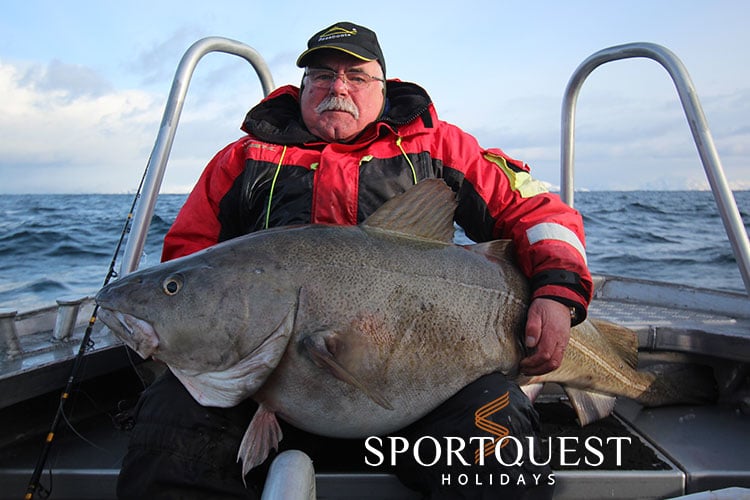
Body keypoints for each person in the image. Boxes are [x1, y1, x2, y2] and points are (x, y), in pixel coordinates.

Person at [117, 21, 592, 499]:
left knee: (498, 443)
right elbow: (192, 262)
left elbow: (539, 210)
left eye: (356, 76)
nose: (337, 87)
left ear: (383, 88)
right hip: (264, 390)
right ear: (302, 88)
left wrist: (557, 293)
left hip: (430, 393)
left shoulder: (439, 148)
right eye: (321, 76)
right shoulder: (243, 160)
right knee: (169, 426)